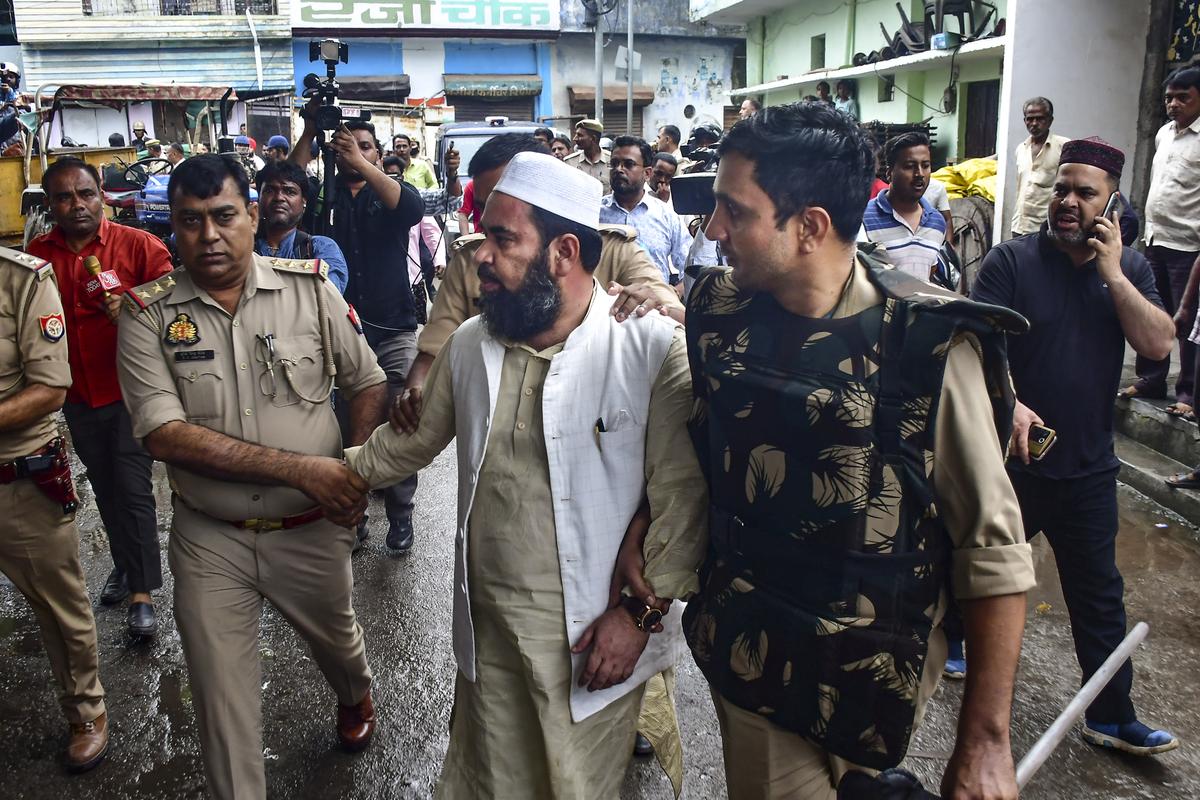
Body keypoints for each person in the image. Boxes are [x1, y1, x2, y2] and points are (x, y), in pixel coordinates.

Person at [674, 101, 1035, 799]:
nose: (713, 231)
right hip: (752, 652)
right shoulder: (716, 312)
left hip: (872, 677)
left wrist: (987, 741)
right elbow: (696, 453)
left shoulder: (928, 346)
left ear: (809, 227)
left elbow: (993, 550)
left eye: (735, 212)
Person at [348, 151, 705, 798]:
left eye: (503, 240)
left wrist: (637, 617)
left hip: (593, 640)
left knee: (574, 787)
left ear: (564, 252)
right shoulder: (471, 343)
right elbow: (406, 446)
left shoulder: (649, 348)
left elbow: (682, 505)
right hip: (489, 637)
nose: (481, 256)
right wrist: (324, 476)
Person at [116, 155, 389, 800]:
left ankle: (354, 693)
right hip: (210, 538)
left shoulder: (310, 290)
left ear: (252, 214)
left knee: (339, 646)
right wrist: (303, 469)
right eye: (190, 221)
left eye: (223, 216)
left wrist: (352, 473)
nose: (208, 235)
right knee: (220, 700)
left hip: (312, 529)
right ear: (173, 226)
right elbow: (164, 434)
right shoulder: (147, 315)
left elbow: (368, 381)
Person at [972, 137, 1178, 758]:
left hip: (1087, 469)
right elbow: (975, 346)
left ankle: (1111, 717)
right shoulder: (1010, 261)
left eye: (1085, 193)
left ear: (1110, 205)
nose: (1068, 201)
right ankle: (952, 644)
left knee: (1099, 597)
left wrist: (1113, 274)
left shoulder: (1131, 269)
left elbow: (1158, 345)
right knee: (978, 572)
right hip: (1012, 465)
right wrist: (1009, 401)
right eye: (1061, 188)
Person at [401, 133, 682, 414]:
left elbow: (674, 322)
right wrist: (415, 399)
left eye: (513, 195)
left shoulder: (616, 251)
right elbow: (435, 349)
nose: (496, 212)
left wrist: (649, 308)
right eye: (485, 205)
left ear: (566, 252)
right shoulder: (470, 261)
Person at [26, 157, 172, 637]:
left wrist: (135, 308)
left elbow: (177, 313)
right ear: (50, 205)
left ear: (102, 197)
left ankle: (142, 595)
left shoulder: (139, 246)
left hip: (131, 392)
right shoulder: (38, 255)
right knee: (105, 487)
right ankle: (125, 564)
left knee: (132, 489)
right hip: (77, 396)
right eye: (64, 197)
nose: (77, 205)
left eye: (86, 194)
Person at [290, 113, 426, 552]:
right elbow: (287, 183)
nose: (355, 152)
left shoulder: (386, 192)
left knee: (400, 420)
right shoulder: (322, 195)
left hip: (394, 328)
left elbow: (412, 209)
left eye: (366, 146)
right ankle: (355, 514)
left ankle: (401, 516)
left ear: (378, 155)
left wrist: (361, 163)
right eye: (347, 146)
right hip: (339, 333)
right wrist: (311, 131)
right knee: (348, 429)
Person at [0, 246, 110, 773]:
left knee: (59, 604)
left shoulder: (21, 280)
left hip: (17, 479)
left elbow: (49, 389)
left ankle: (86, 711)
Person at [1120, 66, 1200, 417]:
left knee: (1186, 322)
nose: (1173, 104)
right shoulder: (1164, 134)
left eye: (1183, 97)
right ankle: (1151, 379)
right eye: (1169, 98)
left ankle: (1188, 393)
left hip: (1189, 245)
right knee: (1152, 313)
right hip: (1155, 240)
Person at [600, 136, 691, 286]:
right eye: (614, 163)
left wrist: (673, 293)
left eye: (628, 164)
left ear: (647, 173)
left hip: (653, 299)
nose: (618, 169)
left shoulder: (666, 216)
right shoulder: (596, 213)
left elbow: (688, 267)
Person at [859, 132, 946, 281]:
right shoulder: (864, 218)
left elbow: (929, 271)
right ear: (889, 173)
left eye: (925, 166)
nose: (920, 174)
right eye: (909, 166)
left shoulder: (937, 222)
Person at [254, 160, 348, 292]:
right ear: (259, 198)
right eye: (270, 190)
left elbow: (328, 295)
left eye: (289, 191)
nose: (279, 197)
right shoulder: (242, 247)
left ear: (304, 201)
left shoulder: (321, 248)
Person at [1011, 97, 1070, 237]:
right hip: (1019, 226)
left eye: (1040, 118)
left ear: (1050, 120)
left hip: (1047, 227)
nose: (1034, 123)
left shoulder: (1063, 147)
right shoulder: (1021, 149)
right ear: (1025, 121)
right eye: (1030, 119)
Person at [565, 118, 611, 192]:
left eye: (580, 135)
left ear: (593, 138)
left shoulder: (612, 160)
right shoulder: (570, 162)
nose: (575, 138)